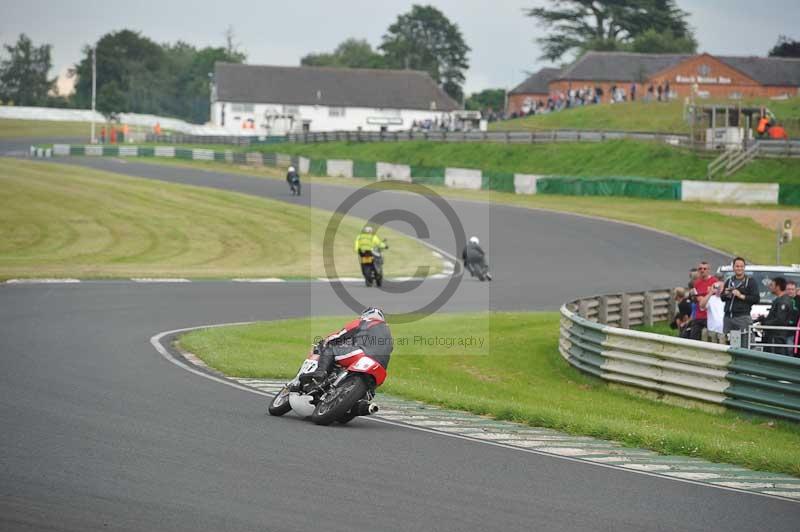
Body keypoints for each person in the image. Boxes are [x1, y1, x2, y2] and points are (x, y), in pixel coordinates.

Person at [301, 307, 393, 383]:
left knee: (330, 350)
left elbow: (339, 336)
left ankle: (320, 373)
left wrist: (324, 342)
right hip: (380, 367)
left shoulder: (365, 321)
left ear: (365, 315)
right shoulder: (387, 331)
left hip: (364, 354)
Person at [720, 257, 759, 348]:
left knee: (745, 345)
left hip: (742, 318)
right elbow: (722, 298)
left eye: (741, 266)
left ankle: (746, 361)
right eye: (737, 266)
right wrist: (726, 294)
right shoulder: (729, 281)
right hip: (729, 318)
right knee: (733, 346)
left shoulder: (750, 282)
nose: (739, 268)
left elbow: (756, 299)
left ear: (744, 267)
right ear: (733, 268)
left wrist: (740, 295)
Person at [755, 277, 794, 355]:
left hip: (776, 336)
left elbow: (780, 319)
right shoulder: (778, 300)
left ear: (778, 287)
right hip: (772, 335)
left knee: (775, 357)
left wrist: (765, 325)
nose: (770, 287)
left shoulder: (783, 301)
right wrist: (763, 320)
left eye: (772, 285)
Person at [689, 261, 718, 341]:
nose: (702, 270)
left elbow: (717, 297)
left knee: (710, 337)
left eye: (705, 269)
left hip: (710, 315)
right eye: (700, 269)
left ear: (708, 270)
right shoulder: (697, 283)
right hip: (699, 315)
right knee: (693, 337)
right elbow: (697, 297)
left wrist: (704, 297)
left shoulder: (714, 281)